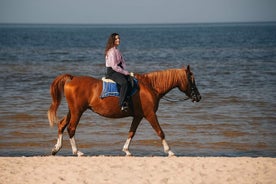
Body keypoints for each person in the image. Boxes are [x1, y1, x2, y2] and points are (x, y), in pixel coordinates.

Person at [105, 33, 133, 111]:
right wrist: (124, 72)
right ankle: (122, 104)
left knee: (130, 79)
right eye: (116, 39)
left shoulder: (117, 50)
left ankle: (128, 99)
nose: (118, 40)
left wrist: (126, 71)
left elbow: (122, 62)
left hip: (117, 70)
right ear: (113, 40)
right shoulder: (111, 51)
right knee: (124, 83)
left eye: (119, 38)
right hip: (112, 72)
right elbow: (114, 66)